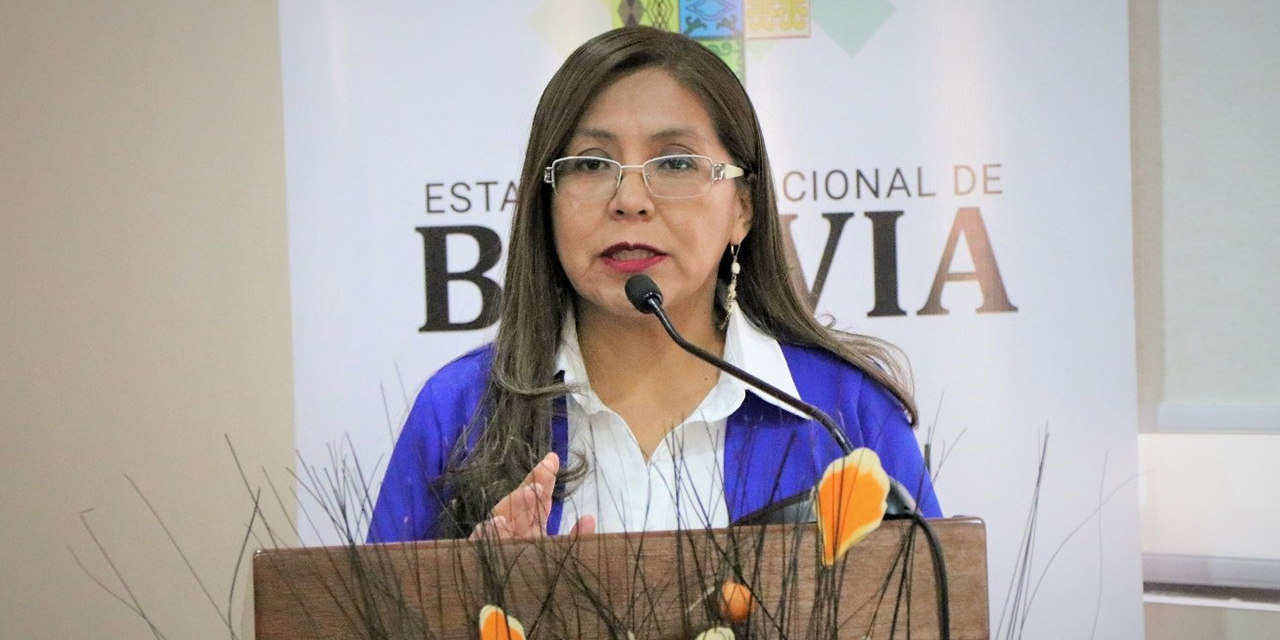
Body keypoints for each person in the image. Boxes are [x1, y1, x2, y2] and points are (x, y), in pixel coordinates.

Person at [368, 26, 941, 543]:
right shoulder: (459, 413)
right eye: (591, 164)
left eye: (675, 163)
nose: (630, 200)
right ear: (546, 203)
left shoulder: (839, 415)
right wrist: (479, 598)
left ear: (742, 206)